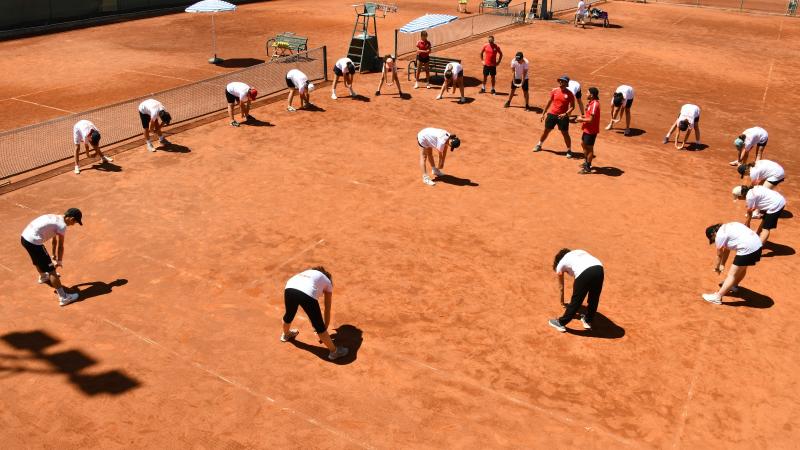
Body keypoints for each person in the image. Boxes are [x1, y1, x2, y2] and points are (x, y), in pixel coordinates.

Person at [281, 267, 349, 360]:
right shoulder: (327, 282)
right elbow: (327, 309)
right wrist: (323, 328)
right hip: (306, 293)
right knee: (319, 325)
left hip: (289, 287)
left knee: (289, 314)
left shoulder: (309, 272)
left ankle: (286, 334)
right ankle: (334, 352)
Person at [20, 208, 83, 306]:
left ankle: (43, 277)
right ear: (71, 218)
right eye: (75, 222)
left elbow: (54, 241)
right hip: (34, 242)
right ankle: (63, 297)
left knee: (37, 259)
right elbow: (61, 246)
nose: (74, 224)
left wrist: (53, 256)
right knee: (52, 271)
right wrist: (59, 261)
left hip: (25, 238)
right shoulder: (62, 226)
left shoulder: (55, 218)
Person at [703, 222, 762, 304]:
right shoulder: (728, 227)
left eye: (713, 238)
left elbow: (719, 255)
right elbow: (727, 249)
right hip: (757, 245)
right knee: (742, 268)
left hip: (748, 248)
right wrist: (723, 264)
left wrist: (717, 267)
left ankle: (717, 297)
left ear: (713, 233)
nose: (714, 240)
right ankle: (733, 285)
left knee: (732, 275)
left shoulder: (719, 236)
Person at [548, 248, 604, 332]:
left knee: (576, 300)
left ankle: (561, 323)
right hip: (599, 269)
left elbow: (561, 287)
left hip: (585, 273)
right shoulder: (578, 252)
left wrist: (562, 302)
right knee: (594, 297)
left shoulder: (561, 263)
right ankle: (588, 320)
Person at [533, 75, 576, 157]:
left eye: (562, 81)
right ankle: (539, 145)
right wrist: (543, 113)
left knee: (565, 133)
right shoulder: (554, 91)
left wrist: (566, 114)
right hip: (552, 114)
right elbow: (549, 102)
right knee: (546, 131)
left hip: (563, 116)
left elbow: (572, 106)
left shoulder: (570, 94)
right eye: (560, 81)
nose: (560, 82)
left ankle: (569, 150)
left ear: (566, 83)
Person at [574, 87, 600, 174]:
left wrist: (581, 120)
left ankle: (588, 167)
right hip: (587, 129)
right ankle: (586, 162)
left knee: (589, 148)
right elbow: (588, 116)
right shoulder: (591, 103)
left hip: (591, 130)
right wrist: (582, 117)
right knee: (583, 144)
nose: (586, 94)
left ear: (591, 95)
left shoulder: (595, 104)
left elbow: (591, 120)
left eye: (587, 93)